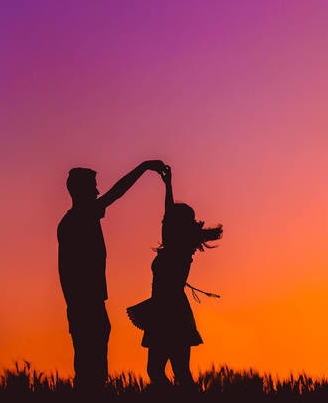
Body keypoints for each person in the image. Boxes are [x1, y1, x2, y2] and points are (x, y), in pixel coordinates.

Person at [57, 159, 167, 392]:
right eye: (93, 187)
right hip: (86, 304)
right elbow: (117, 192)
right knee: (91, 370)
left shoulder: (73, 221)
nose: (97, 191)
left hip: (86, 303)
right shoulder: (81, 217)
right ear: (80, 191)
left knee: (90, 366)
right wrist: (144, 167)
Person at [128, 165, 223, 388]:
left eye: (169, 221)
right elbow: (167, 214)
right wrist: (167, 184)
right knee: (167, 371)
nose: (164, 223)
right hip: (165, 309)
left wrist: (168, 185)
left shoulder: (179, 249)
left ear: (175, 226)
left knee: (174, 371)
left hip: (169, 310)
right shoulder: (175, 245)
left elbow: (167, 216)